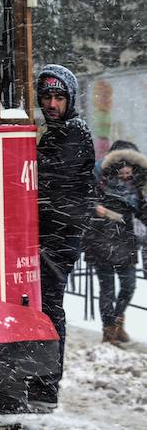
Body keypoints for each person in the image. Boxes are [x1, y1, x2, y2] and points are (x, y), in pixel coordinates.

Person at [32, 63, 96, 410]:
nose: (52, 104)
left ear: (69, 99)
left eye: (58, 97)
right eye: (46, 97)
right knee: (45, 304)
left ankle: (45, 384)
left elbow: (52, 182)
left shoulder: (71, 132)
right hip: (51, 233)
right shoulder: (55, 131)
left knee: (50, 305)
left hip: (58, 236)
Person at [83, 140, 146, 344]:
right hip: (100, 239)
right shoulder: (98, 179)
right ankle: (108, 330)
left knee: (129, 285)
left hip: (125, 241)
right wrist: (96, 208)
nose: (127, 172)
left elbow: (143, 211)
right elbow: (82, 199)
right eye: (123, 167)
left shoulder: (136, 187)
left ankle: (118, 320)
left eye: (130, 169)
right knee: (107, 289)